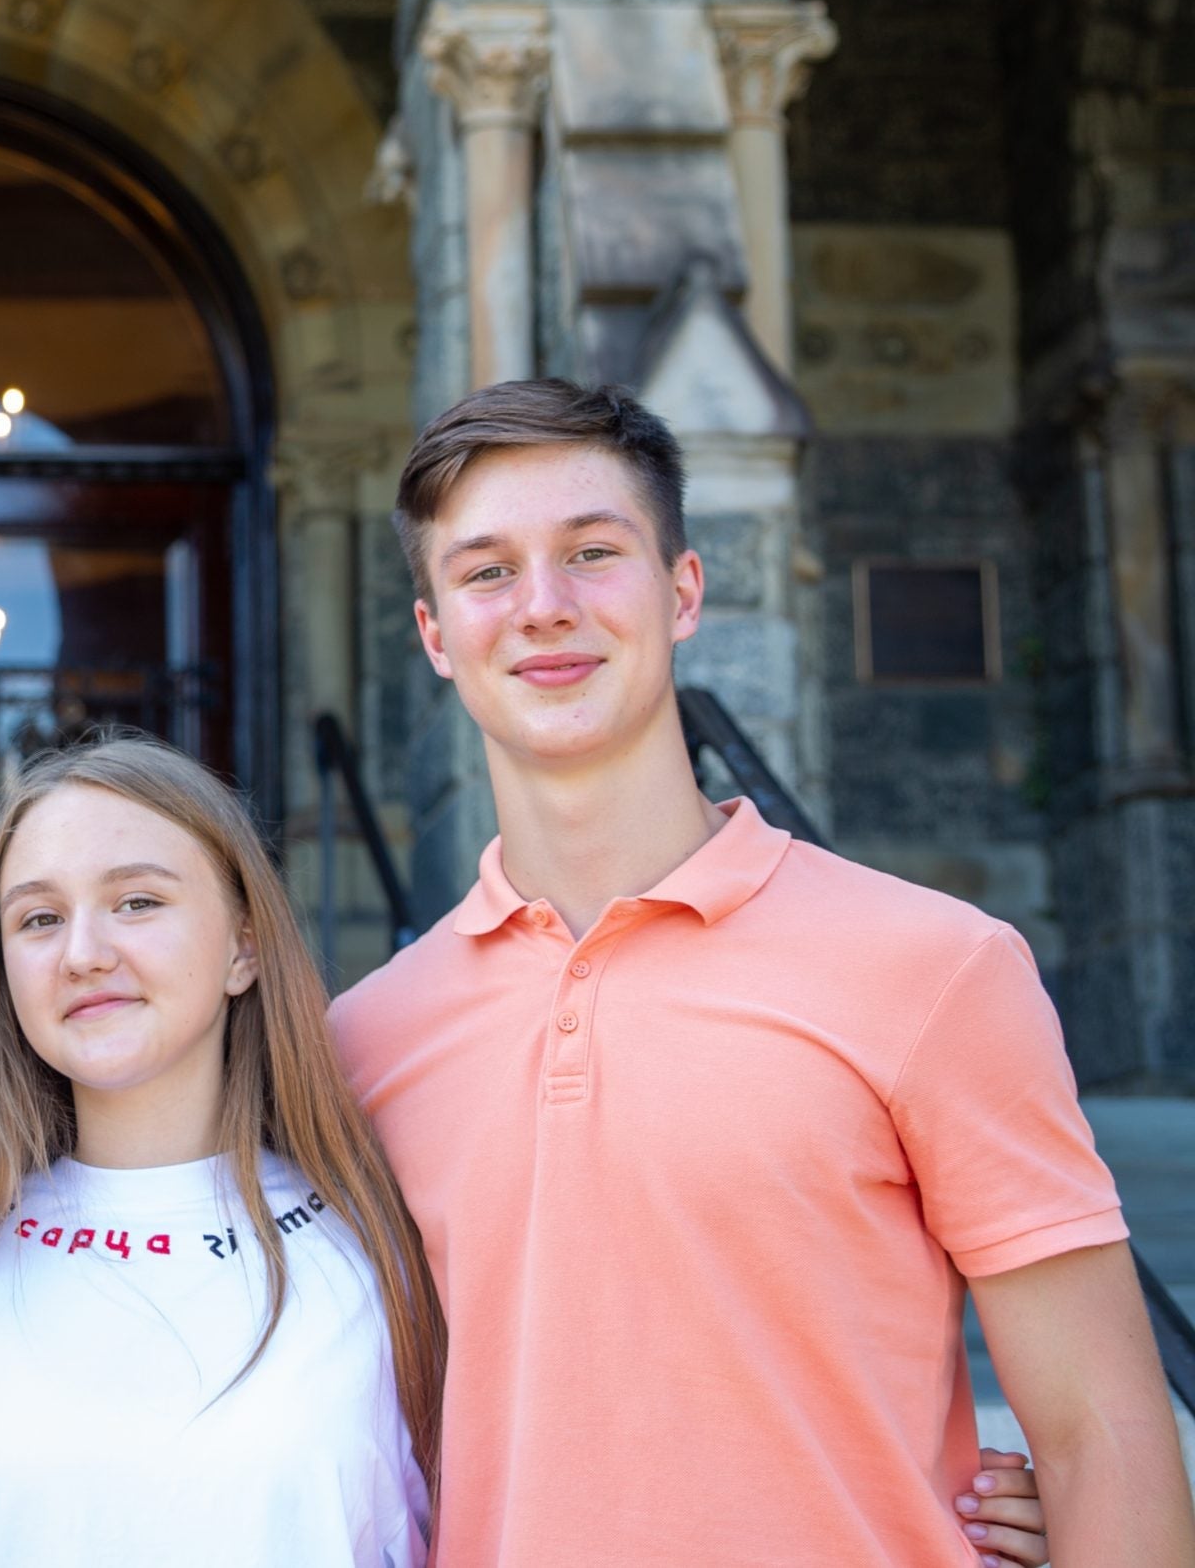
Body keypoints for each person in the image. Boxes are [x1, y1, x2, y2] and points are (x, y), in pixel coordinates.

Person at [330, 377, 1195, 1567]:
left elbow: (1104, 1432)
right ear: (434, 633)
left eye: (593, 552)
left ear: (683, 592)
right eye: (484, 572)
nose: (541, 606)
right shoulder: (361, 1043)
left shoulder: (934, 970)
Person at [0, 735, 444, 1567]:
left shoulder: (377, 1248)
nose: (83, 952)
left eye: (137, 902)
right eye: (40, 918)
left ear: (244, 946)